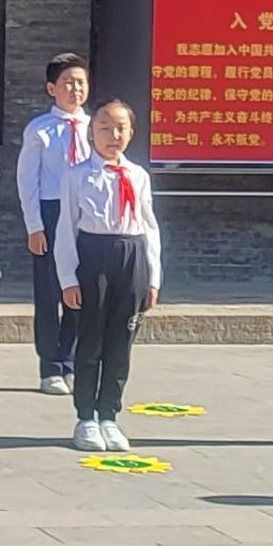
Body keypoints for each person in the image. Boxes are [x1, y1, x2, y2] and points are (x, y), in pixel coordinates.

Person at [54, 94, 162, 454]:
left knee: (121, 343)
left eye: (120, 128)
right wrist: (68, 278)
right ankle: (85, 416)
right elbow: (66, 230)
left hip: (131, 257)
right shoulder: (77, 176)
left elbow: (150, 227)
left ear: (131, 132)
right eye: (104, 127)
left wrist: (153, 277)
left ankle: (109, 415)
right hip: (94, 254)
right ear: (91, 132)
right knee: (92, 340)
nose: (112, 135)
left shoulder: (138, 176)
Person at [16, 52, 89, 395]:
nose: (75, 89)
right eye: (68, 83)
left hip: (85, 214)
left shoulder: (96, 126)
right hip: (51, 210)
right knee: (49, 293)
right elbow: (27, 180)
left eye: (81, 83)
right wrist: (34, 226)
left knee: (79, 288)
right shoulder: (40, 130)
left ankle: (72, 360)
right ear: (51, 88)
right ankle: (50, 367)